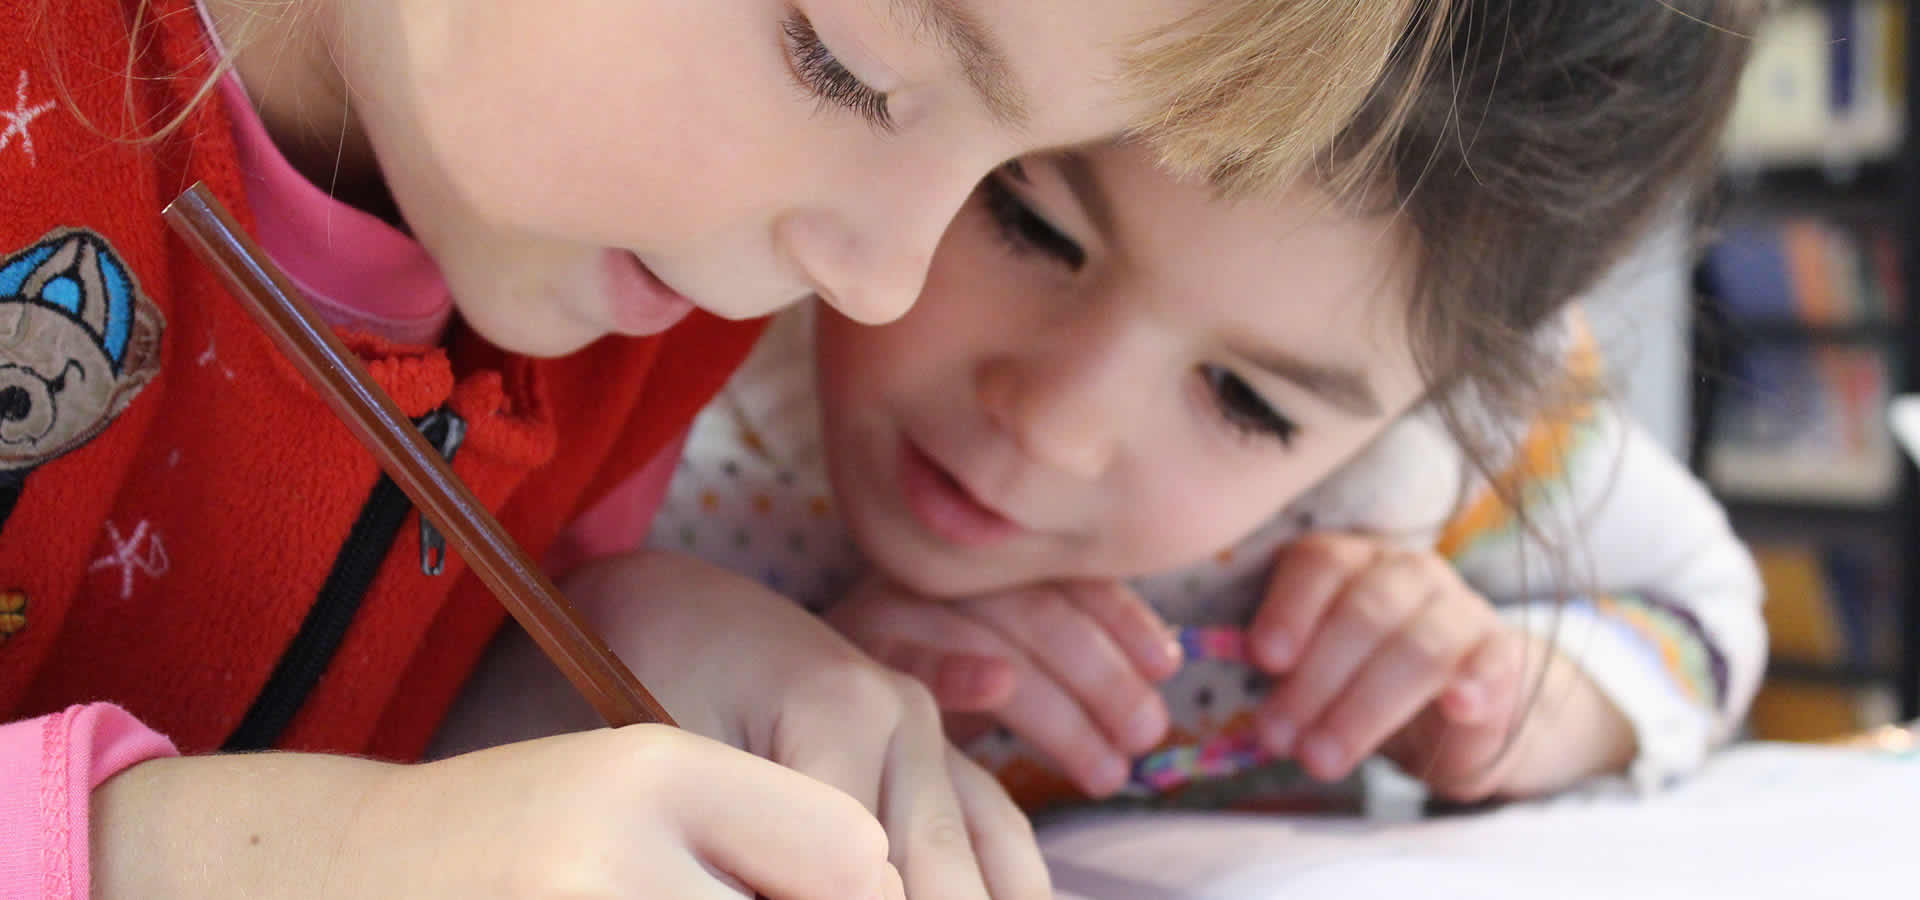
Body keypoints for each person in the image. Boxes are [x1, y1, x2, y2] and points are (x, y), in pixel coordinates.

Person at [0, 0, 1443, 896]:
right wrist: (238, 865)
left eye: (999, 172)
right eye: (846, 66)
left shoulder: (637, 294)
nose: (880, 283)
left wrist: (604, 664)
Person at [511, 0, 1764, 817]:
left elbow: (1704, 609)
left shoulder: (1441, 462)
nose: (1054, 427)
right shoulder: (674, 312)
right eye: (1030, 225)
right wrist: (700, 672)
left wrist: (1525, 702)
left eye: (1247, 402)